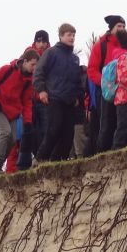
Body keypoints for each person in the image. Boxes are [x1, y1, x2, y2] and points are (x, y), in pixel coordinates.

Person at [34, 24, 84, 162]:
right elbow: (39, 72)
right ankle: (39, 159)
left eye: (73, 35)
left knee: (68, 134)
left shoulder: (75, 58)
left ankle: (56, 162)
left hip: (70, 101)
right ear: (61, 36)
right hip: (54, 97)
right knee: (54, 128)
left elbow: (77, 80)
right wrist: (41, 90)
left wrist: (78, 97)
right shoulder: (51, 52)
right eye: (69, 35)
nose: (72, 38)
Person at [0, 49, 37, 176]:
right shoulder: (7, 70)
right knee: (5, 132)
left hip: (12, 111)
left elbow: (27, 102)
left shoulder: (29, 81)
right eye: (33, 65)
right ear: (25, 61)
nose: (34, 68)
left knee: (13, 138)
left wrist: (28, 121)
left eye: (36, 66)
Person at [87, 15, 125, 153]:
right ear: (112, 28)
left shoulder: (125, 43)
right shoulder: (101, 45)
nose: (122, 29)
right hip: (104, 89)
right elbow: (91, 69)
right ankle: (102, 153)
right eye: (119, 26)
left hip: (122, 89)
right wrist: (105, 82)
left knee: (119, 122)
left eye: (123, 26)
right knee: (106, 124)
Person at [16, 30, 52, 170]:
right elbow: (20, 72)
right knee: (28, 132)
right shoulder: (27, 55)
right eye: (39, 41)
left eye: (44, 41)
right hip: (29, 99)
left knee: (45, 130)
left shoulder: (51, 54)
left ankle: (42, 160)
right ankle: (23, 165)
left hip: (45, 99)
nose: (42, 44)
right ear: (35, 42)